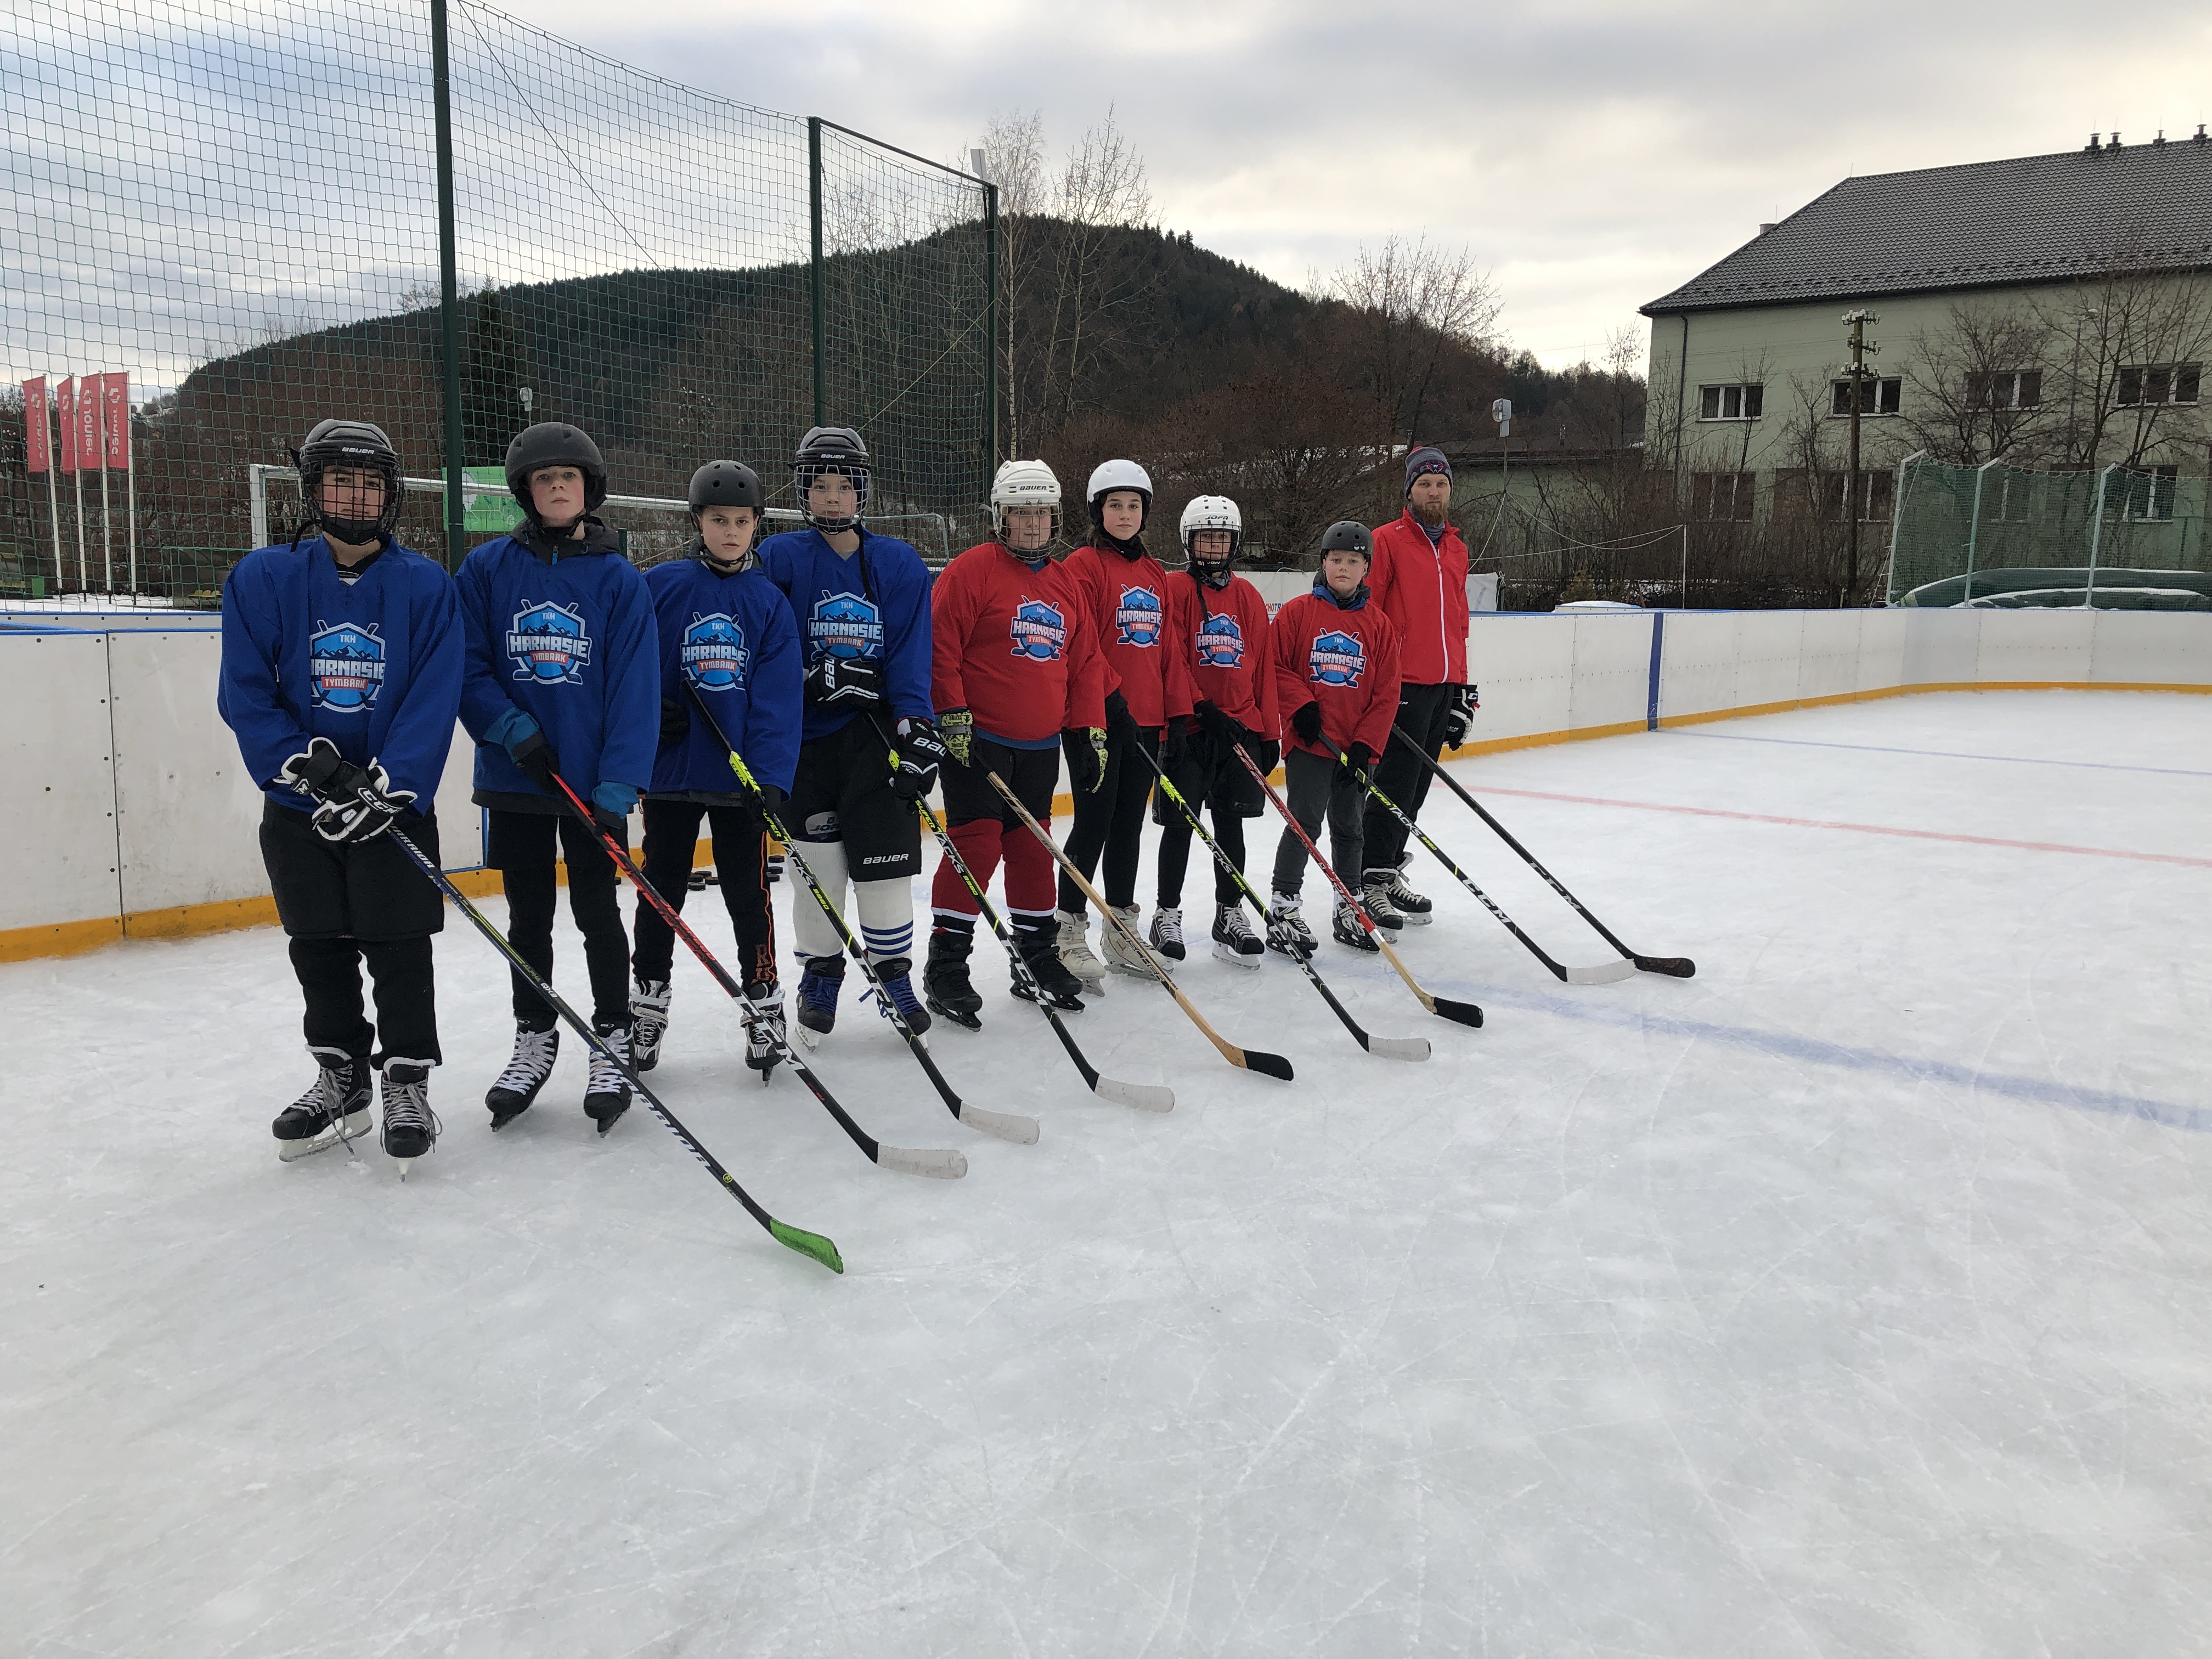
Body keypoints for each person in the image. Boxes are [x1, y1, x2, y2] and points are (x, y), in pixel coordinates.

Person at [218, 417, 460, 1169]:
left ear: (390, 495)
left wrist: (392, 784)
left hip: (391, 810)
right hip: (302, 808)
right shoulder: (263, 578)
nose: (356, 497)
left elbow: (434, 695)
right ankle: (342, 1075)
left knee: (399, 945)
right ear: (313, 490)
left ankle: (407, 1080)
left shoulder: (427, 584)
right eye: (340, 481)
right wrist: (305, 768)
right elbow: (245, 691)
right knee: (318, 945)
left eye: (370, 483)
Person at [456, 422, 658, 1131]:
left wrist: (618, 785)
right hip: (517, 779)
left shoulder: (619, 579)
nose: (558, 488)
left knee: (598, 913)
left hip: (591, 785)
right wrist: (508, 727)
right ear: (526, 492)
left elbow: (636, 689)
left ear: (588, 488)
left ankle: (613, 1034)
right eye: (545, 479)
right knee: (528, 916)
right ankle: (534, 1035)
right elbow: (466, 663)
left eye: (569, 478)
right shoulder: (486, 570)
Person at [756, 426, 943, 1045]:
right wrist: (806, 680)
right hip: (805, 743)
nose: (832, 497)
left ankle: (894, 976)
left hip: (874, 739)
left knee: (885, 867)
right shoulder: (779, 557)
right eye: (820, 486)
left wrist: (917, 730)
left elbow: (911, 659)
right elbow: (764, 643)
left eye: (844, 485)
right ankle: (822, 974)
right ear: (803, 493)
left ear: (863, 491)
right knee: (817, 869)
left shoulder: (898, 562)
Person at [629, 461, 803, 1080]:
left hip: (739, 783)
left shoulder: (768, 602)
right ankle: (647, 1002)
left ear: (757, 525)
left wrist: (771, 778)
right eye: (719, 520)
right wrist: (648, 716)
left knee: (748, 895)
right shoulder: (660, 586)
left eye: (742, 521)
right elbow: (630, 664)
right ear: (697, 522)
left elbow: (778, 700)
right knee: (661, 892)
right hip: (673, 772)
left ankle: (763, 1000)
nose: (731, 532)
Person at [921, 459, 1106, 1026]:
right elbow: (940, 644)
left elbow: (1085, 662)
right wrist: (952, 712)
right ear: (1000, 517)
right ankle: (946, 966)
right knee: (976, 845)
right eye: (1021, 513)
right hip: (979, 738)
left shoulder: (1066, 582)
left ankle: (1036, 957)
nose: (1031, 523)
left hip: (1039, 742)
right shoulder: (972, 570)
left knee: (1032, 847)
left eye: (1041, 513)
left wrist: (1089, 729)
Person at [1051, 459, 1193, 988]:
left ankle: (1121, 930)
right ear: (1098, 511)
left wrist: (1178, 714)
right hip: (1098, 719)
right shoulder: (1083, 566)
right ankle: (1067, 931)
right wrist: (1109, 709)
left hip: (1146, 721)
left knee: (1129, 826)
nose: (1126, 514)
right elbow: (1080, 645)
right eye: (1115, 505)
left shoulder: (1155, 572)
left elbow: (1169, 650)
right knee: (1094, 821)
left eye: (1134, 506)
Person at [1152, 494, 1278, 967]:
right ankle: (1166, 913)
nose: (1213, 546)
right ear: (1189, 541)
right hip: (1190, 729)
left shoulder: (1248, 597)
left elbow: (1262, 667)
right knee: (1180, 826)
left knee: (1231, 825)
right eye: (1205, 537)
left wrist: (1268, 731)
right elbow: (1170, 655)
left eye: (1222, 538)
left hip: (1238, 730)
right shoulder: (1175, 589)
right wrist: (1197, 707)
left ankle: (1229, 913)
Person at [1269, 521, 1403, 952]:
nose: (1344, 567)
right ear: (1323, 562)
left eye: (1353, 561)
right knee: (1304, 823)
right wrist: (1300, 705)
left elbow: (1387, 692)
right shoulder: (1297, 613)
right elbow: (1274, 666)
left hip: (1355, 749)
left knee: (1350, 827)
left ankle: (1349, 904)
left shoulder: (1378, 625)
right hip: (1311, 744)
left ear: (1367, 568)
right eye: (1336, 559)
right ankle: (1284, 906)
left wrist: (1367, 745)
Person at [1362, 445, 1475, 929]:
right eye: (1424, 484)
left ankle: (1388, 870)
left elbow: (1459, 622)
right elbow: (1370, 614)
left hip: (1443, 683)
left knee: (1419, 787)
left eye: (1441, 484)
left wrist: (1462, 690)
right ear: (1409, 491)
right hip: (1402, 681)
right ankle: (1369, 876)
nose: (1434, 491)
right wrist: (1375, 681)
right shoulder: (1386, 541)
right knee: (1393, 783)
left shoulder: (1456, 549)